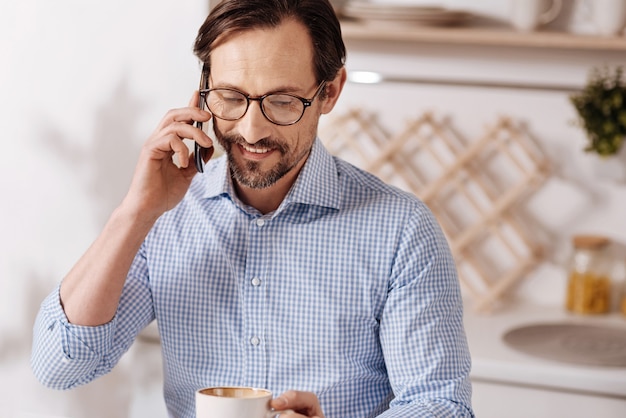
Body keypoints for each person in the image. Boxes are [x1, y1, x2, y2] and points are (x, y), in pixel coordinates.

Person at [31, 0, 474, 417]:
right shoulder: (166, 216)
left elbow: (440, 404)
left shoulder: (401, 229)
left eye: (282, 101)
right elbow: (59, 366)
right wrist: (135, 212)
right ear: (203, 89)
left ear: (330, 92)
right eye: (231, 97)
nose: (251, 129)